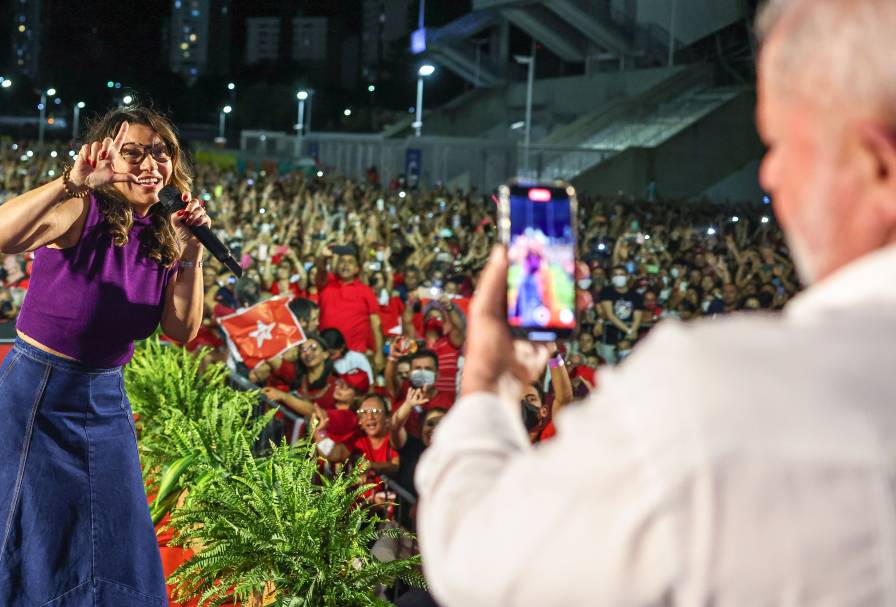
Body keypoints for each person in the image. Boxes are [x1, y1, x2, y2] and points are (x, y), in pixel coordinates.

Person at [415, 1, 896, 602]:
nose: (767, 177)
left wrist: (489, 384)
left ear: (878, 167)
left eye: (778, 145)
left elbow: (477, 563)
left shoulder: (714, 395)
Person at [0, 108, 209, 605]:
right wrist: (69, 182)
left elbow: (181, 329)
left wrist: (191, 258)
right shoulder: (83, 210)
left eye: (161, 152)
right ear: (106, 157)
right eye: (134, 152)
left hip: (105, 400)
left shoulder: (166, 230)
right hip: (38, 394)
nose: (150, 163)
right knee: (35, 536)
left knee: (116, 536)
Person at [314, 244, 385, 372]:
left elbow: (376, 323)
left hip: (355, 355)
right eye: (342, 261)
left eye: (350, 262)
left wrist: (379, 352)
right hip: (326, 353)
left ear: (357, 269)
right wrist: (323, 258)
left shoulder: (366, 291)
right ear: (336, 266)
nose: (345, 265)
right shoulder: (326, 283)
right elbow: (320, 269)